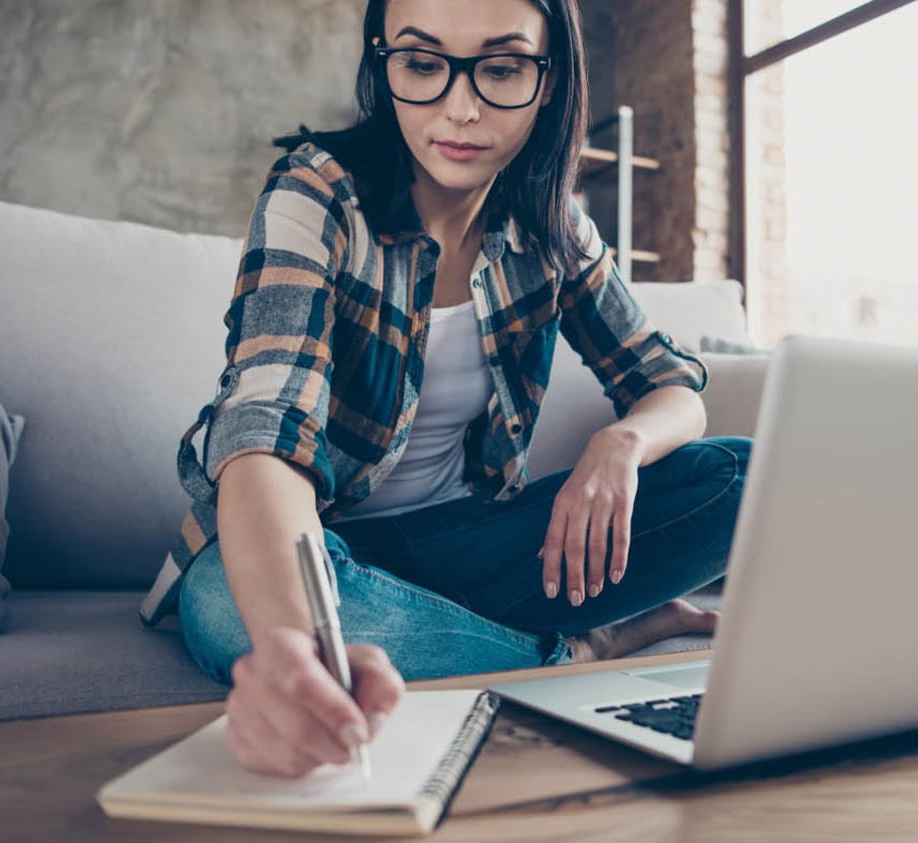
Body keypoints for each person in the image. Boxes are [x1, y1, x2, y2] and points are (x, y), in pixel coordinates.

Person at [150, 0, 752, 778]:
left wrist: (621, 442)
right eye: (423, 63)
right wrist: (291, 644)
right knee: (231, 612)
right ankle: (576, 649)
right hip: (321, 548)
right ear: (384, 65)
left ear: (548, 80)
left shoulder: (553, 230)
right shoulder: (317, 193)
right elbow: (266, 424)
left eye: (500, 68)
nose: (459, 108)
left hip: (467, 542)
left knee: (737, 474)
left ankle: (454, 634)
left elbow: (672, 385)